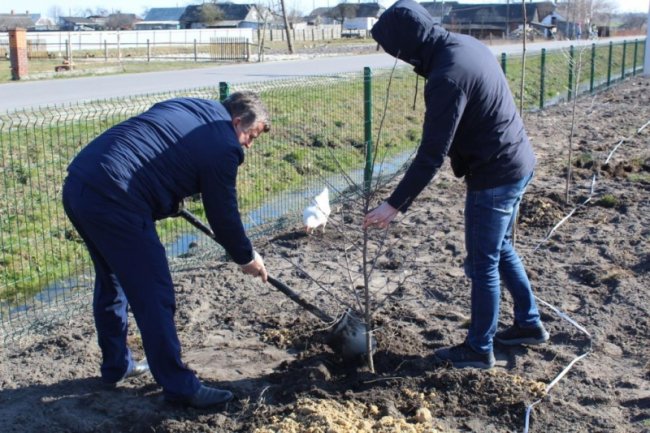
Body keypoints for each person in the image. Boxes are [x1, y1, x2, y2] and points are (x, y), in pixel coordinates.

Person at [363, 0, 549, 369]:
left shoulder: (446, 77)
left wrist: (394, 204)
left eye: (395, 52)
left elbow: (431, 155)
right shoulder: (463, 45)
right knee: (501, 249)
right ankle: (529, 324)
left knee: (483, 264)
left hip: (495, 175)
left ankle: (479, 349)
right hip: (517, 161)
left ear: (407, 46)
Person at [62, 92, 270, 407]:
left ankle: (117, 365)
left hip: (81, 183)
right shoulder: (224, 145)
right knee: (154, 292)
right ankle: (179, 386)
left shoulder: (191, 105)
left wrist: (166, 195)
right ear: (237, 121)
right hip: (116, 198)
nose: (248, 145)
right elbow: (223, 215)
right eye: (250, 136)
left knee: (111, 279)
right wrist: (245, 256)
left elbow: (159, 149)